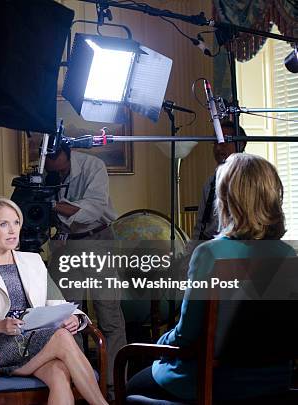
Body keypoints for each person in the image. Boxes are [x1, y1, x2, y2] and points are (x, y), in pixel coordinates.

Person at [126, 153, 294, 402]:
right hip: (274, 383)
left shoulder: (211, 253)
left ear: (228, 199)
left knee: (132, 383)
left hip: (211, 382)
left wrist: (161, 341)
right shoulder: (289, 256)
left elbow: (187, 335)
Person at [0, 196, 108, 405]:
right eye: (4, 224)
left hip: (34, 343)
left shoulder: (32, 260)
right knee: (62, 338)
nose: (13, 230)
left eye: (16, 222)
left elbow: (59, 303)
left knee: (59, 373)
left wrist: (74, 317)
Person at [44, 141, 125, 397]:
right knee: (67, 317)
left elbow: (92, 210)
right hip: (67, 244)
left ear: (65, 153)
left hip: (97, 239)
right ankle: (81, 380)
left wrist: (54, 205)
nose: (51, 168)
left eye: (55, 161)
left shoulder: (93, 166)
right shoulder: (47, 173)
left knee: (108, 312)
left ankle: (113, 383)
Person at [192, 121, 248, 242]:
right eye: (215, 142)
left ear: (241, 144)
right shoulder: (210, 183)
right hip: (211, 247)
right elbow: (200, 227)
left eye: (224, 142)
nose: (218, 148)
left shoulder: (251, 180)